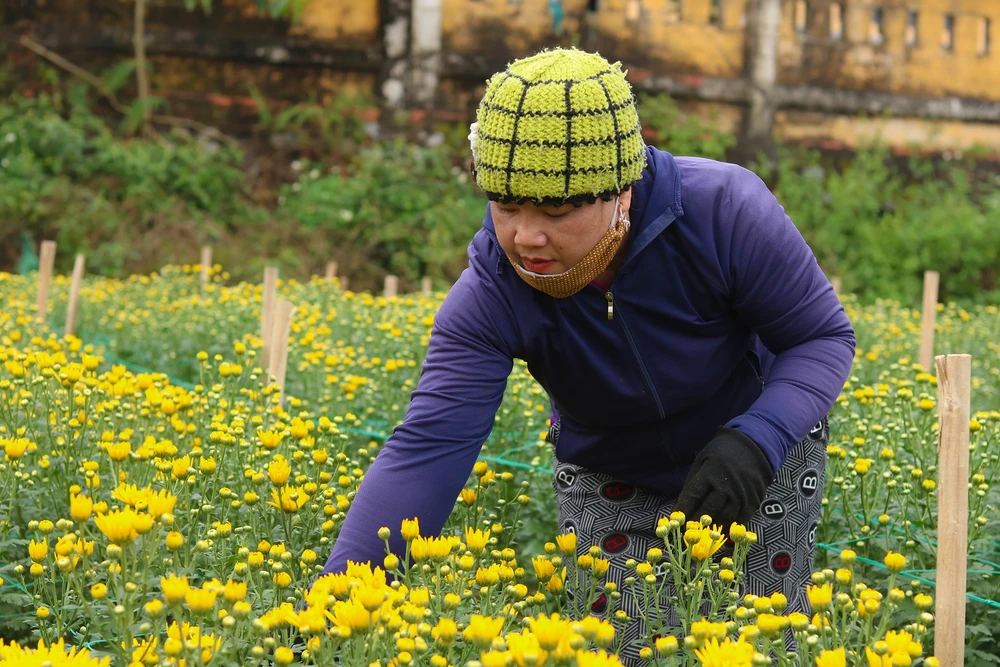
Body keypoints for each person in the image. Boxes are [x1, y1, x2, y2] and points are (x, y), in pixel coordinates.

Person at [319, 47, 855, 662]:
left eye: (554, 211)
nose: (525, 237)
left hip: (757, 456)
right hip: (610, 476)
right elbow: (427, 450)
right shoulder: (494, 289)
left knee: (761, 647)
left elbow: (820, 337)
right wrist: (338, 607)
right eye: (505, 205)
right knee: (619, 653)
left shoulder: (723, 212)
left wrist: (759, 435)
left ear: (621, 192)